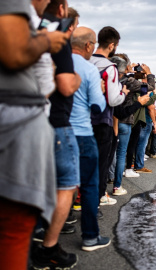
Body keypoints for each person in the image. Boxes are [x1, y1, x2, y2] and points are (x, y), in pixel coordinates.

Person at [0, 0, 68, 269]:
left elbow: (43, 86)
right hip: (14, 129)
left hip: (20, 124)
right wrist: (46, 41)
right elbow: (14, 52)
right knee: (13, 231)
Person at [31, 0, 82, 269]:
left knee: (33, 186)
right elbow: (64, 84)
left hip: (29, 123)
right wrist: (77, 78)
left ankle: (31, 240)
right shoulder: (57, 35)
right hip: (56, 122)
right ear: (61, 10)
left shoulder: (26, 29)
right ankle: (48, 247)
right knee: (67, 184)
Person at [69, 26, 112, 250]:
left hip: (54, 132)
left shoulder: (55, 63)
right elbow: (98, 105)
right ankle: (90, 236)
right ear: (87, 45)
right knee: (89, 185)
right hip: (82, 134)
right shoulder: (88, 69)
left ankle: (52, 231)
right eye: (93, 44)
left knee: (60, 184)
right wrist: (101, 88)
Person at [90, 26, 128, 203]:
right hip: (102, 119)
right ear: (112, 45)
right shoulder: (110, 67)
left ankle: (77, 201)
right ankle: (96, 201)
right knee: (100, 164)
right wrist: (123, 93)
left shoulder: (85, 61)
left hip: (82, 118)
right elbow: (113, 99)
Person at [111, 55, 150, 195]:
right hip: (125, 120)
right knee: (121, 153)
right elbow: (148, 89)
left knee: (110, 153)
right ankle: (117, 186)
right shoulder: (129, 81)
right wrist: (149, 73)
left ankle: (108, 180)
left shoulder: (112, 79)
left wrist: (129, 70)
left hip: (112, 118)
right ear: (127, 67)